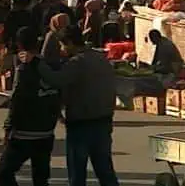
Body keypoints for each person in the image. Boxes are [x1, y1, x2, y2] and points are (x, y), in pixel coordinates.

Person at [25, 26, 120, 186]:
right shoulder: (100, 59)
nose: (62, 50)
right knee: (105, 171)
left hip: (82, 124)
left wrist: (37, 63)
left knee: (77, 174)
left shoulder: (77, 62)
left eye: (62, 46)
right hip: (104, 121)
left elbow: (57, 80)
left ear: (69, 42)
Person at [0, 27, 61, 186]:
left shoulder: (25, 69)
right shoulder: (51, 66)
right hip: (46, 131)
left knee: (4, 171)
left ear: (18, 44)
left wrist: (8, 127)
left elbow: (17, 100)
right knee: (40, 178)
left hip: (25, 132)